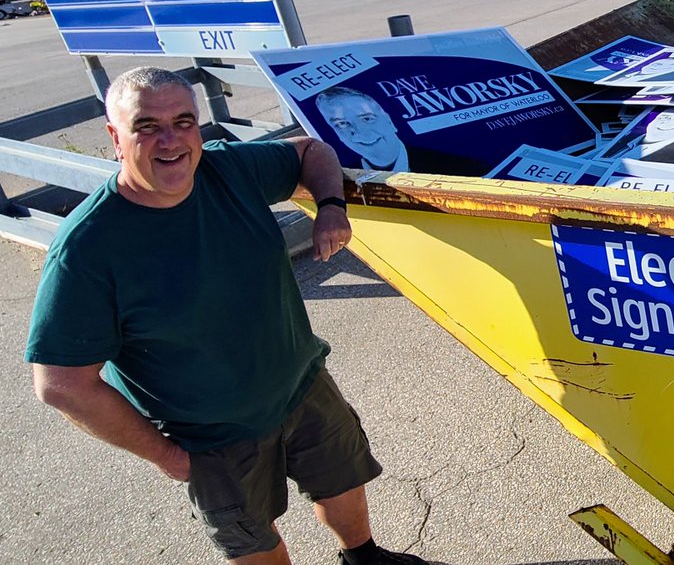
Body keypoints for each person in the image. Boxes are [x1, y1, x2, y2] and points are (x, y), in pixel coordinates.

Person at [25, 67, 427, 565]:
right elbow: (62, 384)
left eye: (184, 121)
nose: (170, 140)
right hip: (210, 432)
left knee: (342, 479)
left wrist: (330, 206)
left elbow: (311, 150)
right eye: (147, 126)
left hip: (301, 384)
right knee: (251, 535)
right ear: (115, 137)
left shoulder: (225, 170)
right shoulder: (88, 250)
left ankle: (366, 558)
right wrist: (166, 456)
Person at [314, 86, 410, 173]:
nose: (360, 132)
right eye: (342, 123)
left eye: (367, 118)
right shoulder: (339, 182)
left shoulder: (425, 157)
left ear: (389, 121)